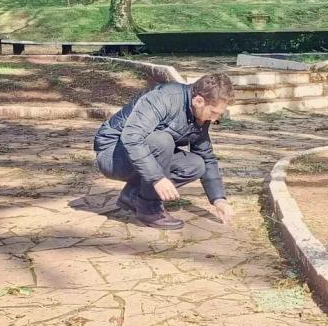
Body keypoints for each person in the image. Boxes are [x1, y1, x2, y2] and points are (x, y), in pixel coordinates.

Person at [94, 72, 235, 231]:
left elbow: (206, 156)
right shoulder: (164, 98)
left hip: (141, 152)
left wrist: (219, 200)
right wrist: (157, 178)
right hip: (112, 154)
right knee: (162, 141)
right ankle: (149, 209)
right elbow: (132, 138)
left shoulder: (200, 115)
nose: (215, 119)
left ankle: (133, 195)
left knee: (196, 165)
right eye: (214, 112)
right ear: (199, 101)